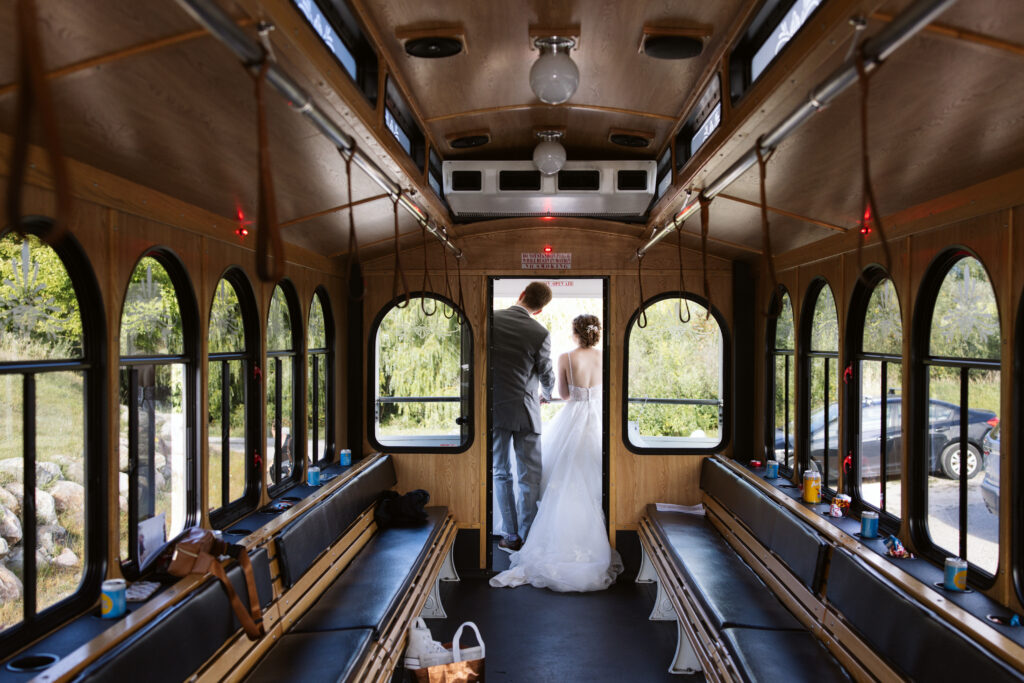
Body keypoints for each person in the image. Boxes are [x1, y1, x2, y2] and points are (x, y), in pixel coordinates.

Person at [490, 314, 623, 592]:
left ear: (575, 332)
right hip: (598, 419)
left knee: (554, 475)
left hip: (573, 418)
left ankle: (531, 533)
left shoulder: (566, 357)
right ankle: (597, 533)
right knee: (595, 477)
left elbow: (564, 394)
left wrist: (544, 397)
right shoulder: (604, 356)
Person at [491, 282, 556, 552]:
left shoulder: (489, 320)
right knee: (528, 476)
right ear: (539, 310)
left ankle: (511, 535)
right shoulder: (540, 332)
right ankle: (528, 537)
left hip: (494, 409)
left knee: (500, 471)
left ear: (520, 296)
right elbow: (546, 374)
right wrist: (548, 394)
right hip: (527, 412)